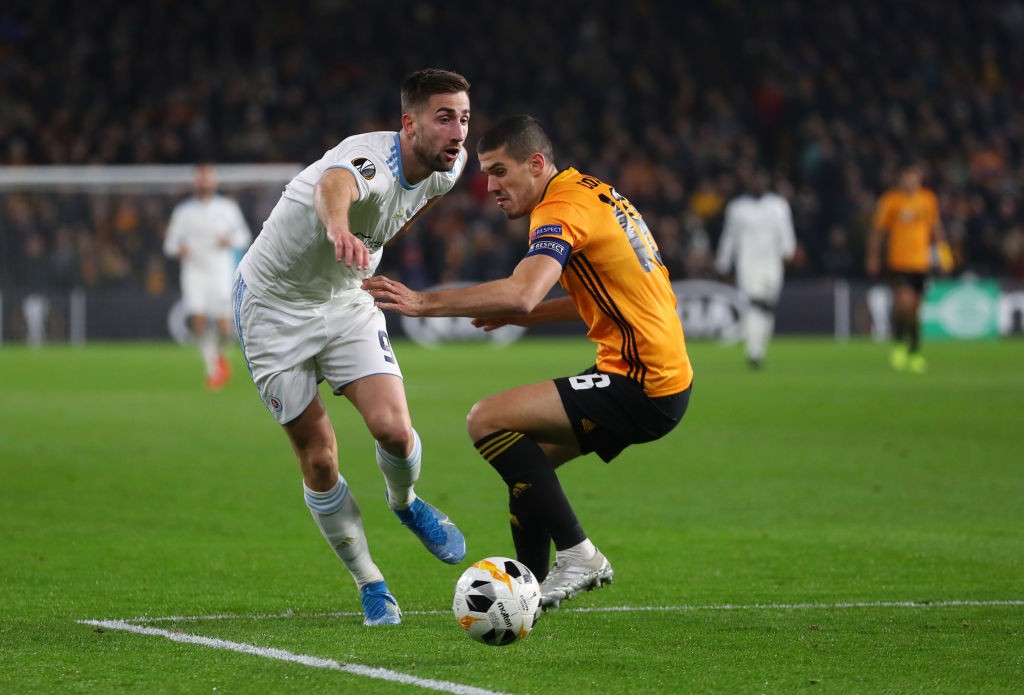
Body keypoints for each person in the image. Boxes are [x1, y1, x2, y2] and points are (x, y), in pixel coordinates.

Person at [363, 115, 693, 610]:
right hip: (660, 375)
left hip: (641, 380)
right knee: (527, 465)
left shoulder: (558, 210)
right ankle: (526, 594)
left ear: (536, 164)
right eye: (485, 174)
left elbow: (521, 291)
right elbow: (618, 296)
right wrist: (531, 318)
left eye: (499, 171)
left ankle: (580, 554)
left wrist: (423, 303)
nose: (490, 186)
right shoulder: (595, 193)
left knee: (487, 419)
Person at [232, 69, 470, 626]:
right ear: (408, 124)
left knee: (393, 428)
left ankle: (406, 503)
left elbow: (410, 207)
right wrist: (340, 228)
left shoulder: (448, 168)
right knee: (318, 457)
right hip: (271, 309)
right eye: (444, 118)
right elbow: (334, 184)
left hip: (344, 299)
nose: (458, 131)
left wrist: (370, 244)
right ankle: (371, 583)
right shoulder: (370, 160)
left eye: (463, 117)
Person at [164, 163, 253, 389]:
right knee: (198, 320)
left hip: (220, 271)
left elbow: (244, 236)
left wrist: (229, 241)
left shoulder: (226, 208)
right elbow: (170, 244)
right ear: (196, 181)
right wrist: (179, 249)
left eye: (207, 177)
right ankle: (213, 368)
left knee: (225, 328)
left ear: (214, 181)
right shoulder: (184, 211)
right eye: (200, 178)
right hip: (193, 272)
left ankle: (219, 357)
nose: (204, 182)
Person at [866, 162, 947, 373]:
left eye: (914, 177)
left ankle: (914, 351)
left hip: (921, 263)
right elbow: (879, 231)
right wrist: (873, 256)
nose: (910, 181)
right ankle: (900, 345)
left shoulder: (928, 199)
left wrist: (943, 251)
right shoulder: (891, 201)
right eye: (906, 177)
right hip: (899, 262)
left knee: (915, 310)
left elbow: (935, 227)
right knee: (903, 303)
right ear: (901, 179)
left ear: (919, 179)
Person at [714, 164, 796, 368]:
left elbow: (785, 232)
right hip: (748, 264)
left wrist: (788, 251)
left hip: (772, 264)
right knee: (755, 304)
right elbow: (729, 238)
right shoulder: (737, 208)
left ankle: (759, 348)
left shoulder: (778, 205)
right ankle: (753, 353)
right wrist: (723, 262)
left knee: (767, 307)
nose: (757, 184)